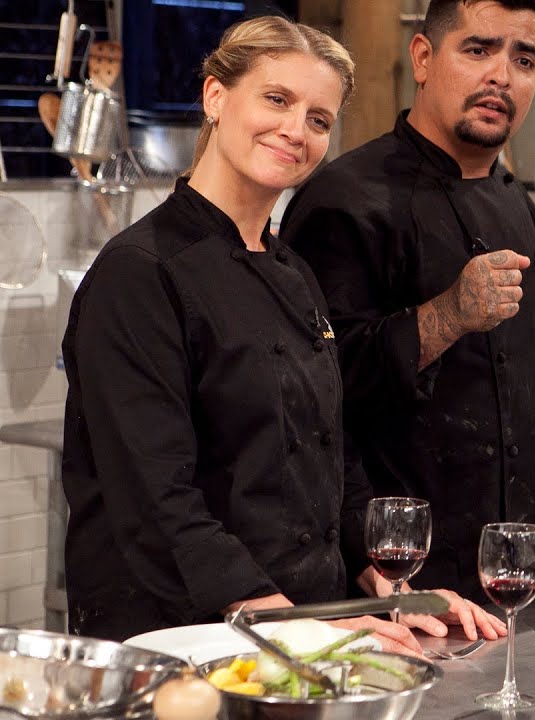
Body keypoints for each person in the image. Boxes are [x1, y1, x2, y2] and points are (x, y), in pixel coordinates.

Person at [61, 16, 503, 651]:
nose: (296, 130)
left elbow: (328, 453)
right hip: (180, 640)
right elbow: (155, 499)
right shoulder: (139, 274)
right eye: (277, 99)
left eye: (319, 119)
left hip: (298, 624)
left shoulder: (292, 270)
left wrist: (388, 587)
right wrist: (292, 624)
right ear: (215, 96)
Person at [280, 0, 535, 603]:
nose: (502, 77)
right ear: (423, 58)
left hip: (511, 566)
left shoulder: (518, 204)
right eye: (478, 50)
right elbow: (310, 395)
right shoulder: (344, 200)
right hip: (391, 572)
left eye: (524, 59)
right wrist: (447, 316)